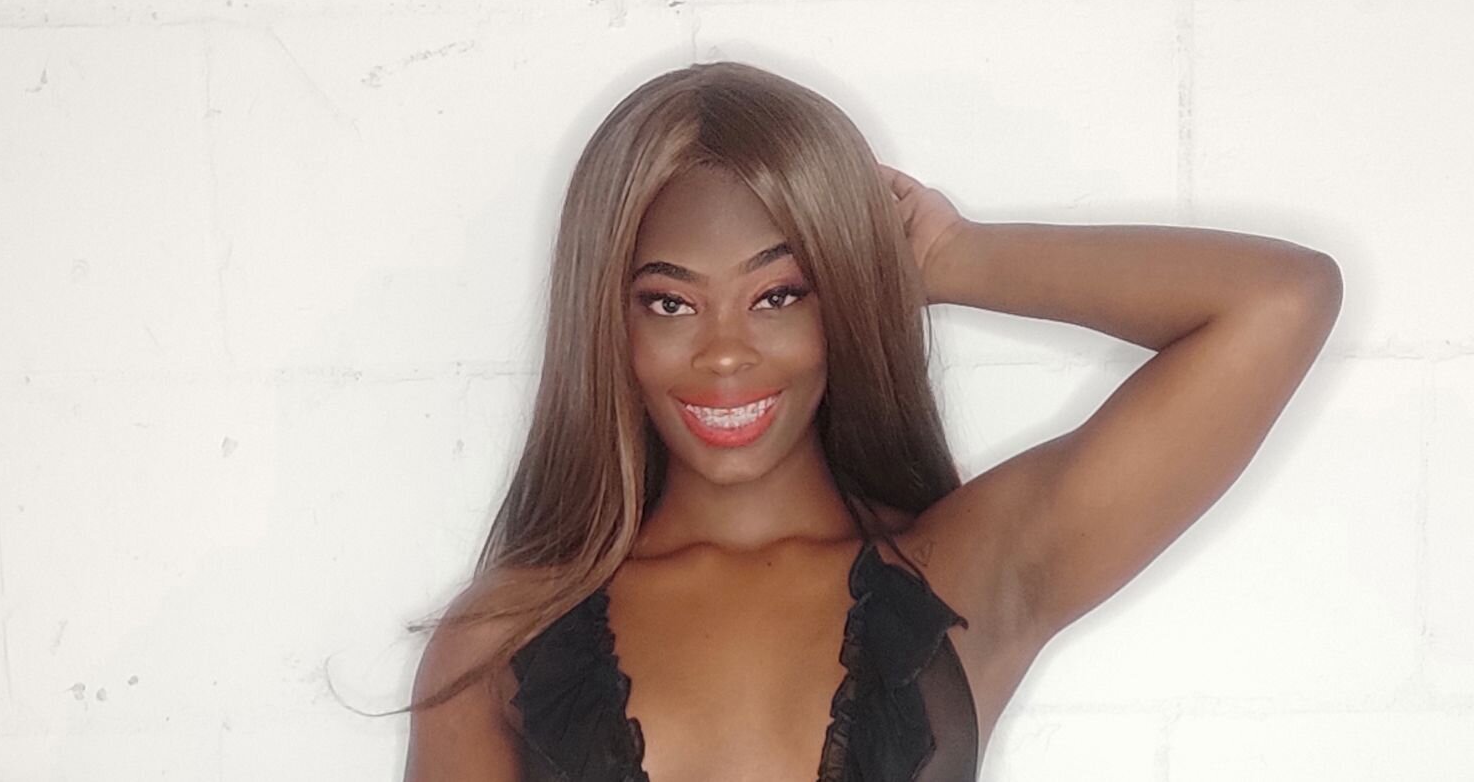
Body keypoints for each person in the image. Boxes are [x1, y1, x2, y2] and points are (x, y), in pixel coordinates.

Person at [399, 61, 1343, 781]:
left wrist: (952, 260)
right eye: (671, 304)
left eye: (779, 295)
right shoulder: (497, 644)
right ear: (610, 322)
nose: (725, 354)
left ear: (839, 300)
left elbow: (1280, 301)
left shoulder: (965, 577)